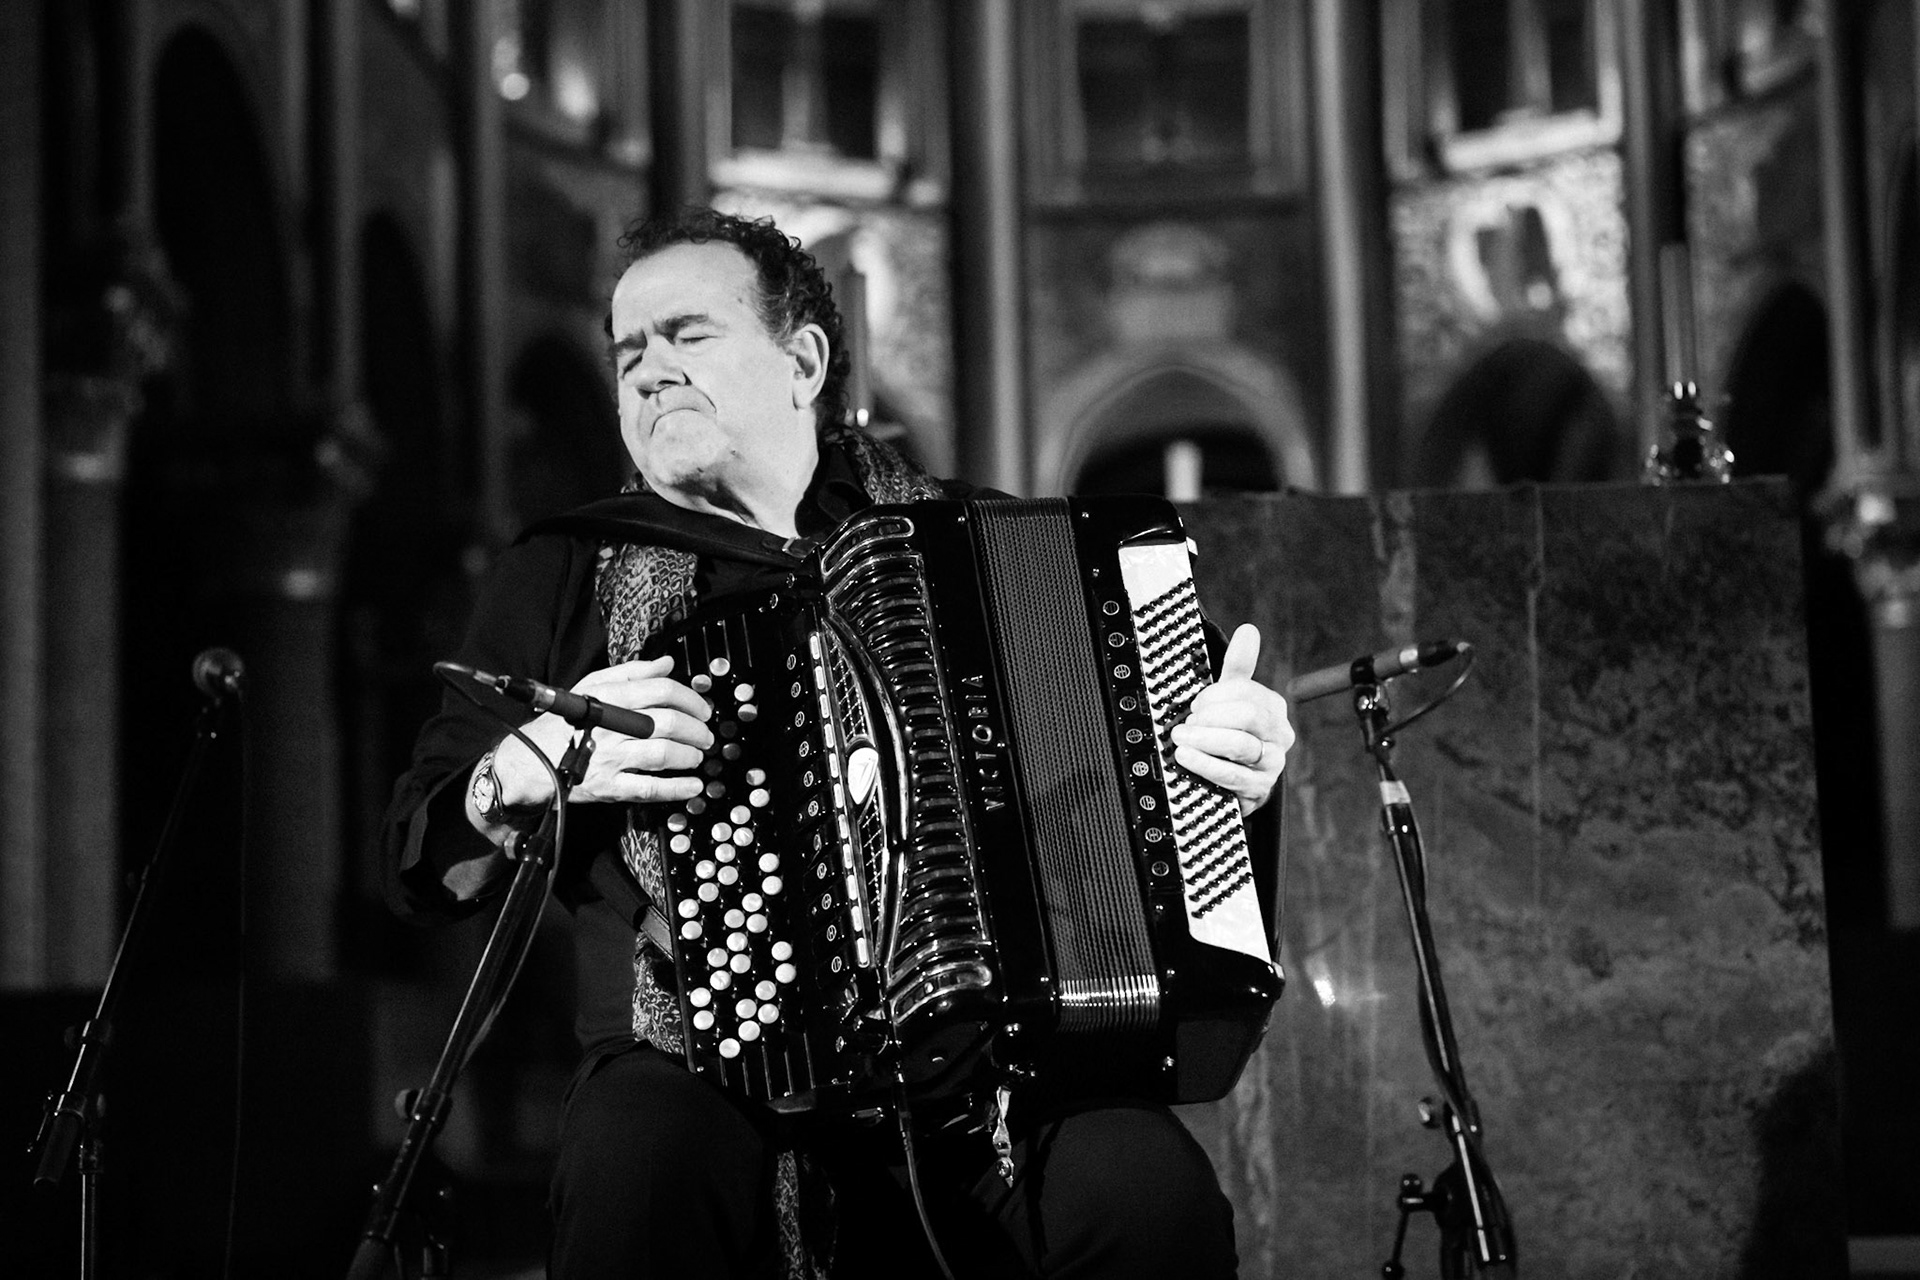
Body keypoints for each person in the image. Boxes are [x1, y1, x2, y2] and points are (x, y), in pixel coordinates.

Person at [380, 207, 1296, 1279]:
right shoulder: (562, 573)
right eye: (629, 350)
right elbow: (421, 858)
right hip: (691, 1071)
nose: (647, 372)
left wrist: (1235, 768)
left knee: (1150, 1194)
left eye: (687, 334)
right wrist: (523, 766)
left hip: (989, 1067)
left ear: (803, 357)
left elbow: (1152, 786)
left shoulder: (987, 543)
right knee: (642, 1168)